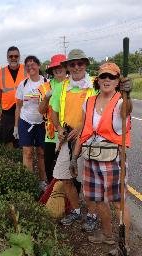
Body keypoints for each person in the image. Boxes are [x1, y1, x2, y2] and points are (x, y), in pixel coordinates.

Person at [70, 62, 132, 255]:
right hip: (91, 157)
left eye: (112, 77)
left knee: (117, 202)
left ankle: (124, 245)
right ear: (98, 79)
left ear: (117, 81)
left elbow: (126, 111)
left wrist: (127, 94)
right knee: (98, 200)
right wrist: (74, 157)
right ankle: (107, 236)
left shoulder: (121, 101)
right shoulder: (88, 102)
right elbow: (84, 131)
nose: (107, 80)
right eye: (103, 76)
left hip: (113, 159)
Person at [49, 49, 98, 231]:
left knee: (88, 181)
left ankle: (92, 215)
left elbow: (103, 109)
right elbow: (53, 111)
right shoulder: (61, 87)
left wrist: (81, 129)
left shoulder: (95, 85)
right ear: (67, 67)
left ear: (85, 65)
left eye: (80, 63)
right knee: (64, 177)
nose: (76, 67)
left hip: (90, 140)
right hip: (66, 139)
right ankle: (77, 210)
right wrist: (60, 129)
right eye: (72, 64)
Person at [14, 55, 47, 191]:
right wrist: (16, 126)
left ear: (39, 66)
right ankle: (28, 183)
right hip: (26, 121)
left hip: (42, 123)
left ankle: (42, 181)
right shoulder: (23, 84)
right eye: (27, 65)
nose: (30, 66)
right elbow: (18, 106)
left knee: (41, 153)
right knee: (27, 153)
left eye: (33, 64)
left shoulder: (46, 82)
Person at [38, 54, 67, 183]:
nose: (58, 69)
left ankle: (69, 197)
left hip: (69, 131)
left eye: (61, 66)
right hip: (50, 133)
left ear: (66, 68)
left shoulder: (74, 84)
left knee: (68, 166)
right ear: (51, 70)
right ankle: (52, 194)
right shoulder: (45, 87)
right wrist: (47, 98)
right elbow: (41, 110)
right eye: (55, 67)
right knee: (49, 164)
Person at [0, 46, 27, 148]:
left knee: (24, 140)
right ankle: (10, 161)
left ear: (19, 57)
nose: (13, 58)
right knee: (8, 139)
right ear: (7, 58)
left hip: (23, 110)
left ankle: (23, 161)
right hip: (7, 111)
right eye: (10, 56)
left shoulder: (27, 70)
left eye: (16, 56)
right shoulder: (1, 72)